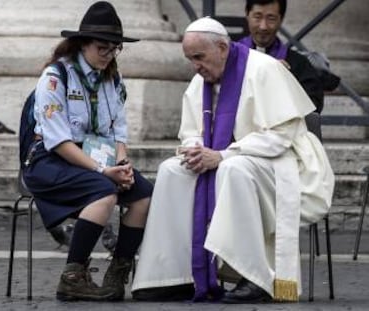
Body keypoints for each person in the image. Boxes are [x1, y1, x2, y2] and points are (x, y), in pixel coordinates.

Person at [131, 17, 334, 303]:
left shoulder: (264, 69)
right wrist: (194, 150)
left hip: (281, 162)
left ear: (223, 48)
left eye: (199, 57)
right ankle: (175, 276)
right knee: (172, 170)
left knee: (233, 168)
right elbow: (191, 132)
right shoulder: (200, 80)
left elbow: (280, 137)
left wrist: (223, 155)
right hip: (229, 160)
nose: (195, 66)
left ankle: (254, 277)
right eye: (190, 59)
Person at [22, 1, 153, 302]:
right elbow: (58, 141)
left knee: (143, 194)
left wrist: (121, 164)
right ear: (82, 44)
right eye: (102, 48)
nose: (109, 54)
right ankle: (73, 276)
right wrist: (103, 172)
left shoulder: (114, 80)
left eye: (115, 48)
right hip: (49, 160)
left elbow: (118, 131)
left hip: (96, 159)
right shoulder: (56, 78)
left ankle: (117, 272)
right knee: (103, 191)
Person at [240, 0, 324, 113]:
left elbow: (314, 106)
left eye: (271, 18)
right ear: (247, 14)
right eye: (257, 17)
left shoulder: (299, 64)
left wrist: (287, 83)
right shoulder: (229, 58)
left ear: (281, 19)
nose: (263, 26)